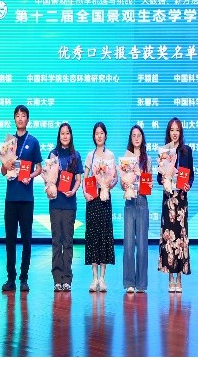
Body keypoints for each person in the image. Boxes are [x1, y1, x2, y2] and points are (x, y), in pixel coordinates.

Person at [2, 106, 43, 292]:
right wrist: (6, 165)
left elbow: (39, 168)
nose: (20, 118)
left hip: (26, 198)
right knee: (10, 239)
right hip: (11, 198)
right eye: (17, 116)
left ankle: (24, 278)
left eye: (23, 116)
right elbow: (3, 171)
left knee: (26, 239)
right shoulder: (8, 142)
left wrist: (30, 176)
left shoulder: (33, 141)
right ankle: (10, 278)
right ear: (14, 119)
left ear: (27, 119)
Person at [44, 123, 83, 292]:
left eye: (67, 133)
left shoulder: (76, 155)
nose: (65, 136)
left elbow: (78, 179)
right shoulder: (53, 155)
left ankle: (67, 278)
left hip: (69, 204)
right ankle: (56, 278)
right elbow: (47, 178)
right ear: (59, 136)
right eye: (62, 133)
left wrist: (73, 191)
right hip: (55, 203)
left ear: (71, 135)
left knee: (67, 241)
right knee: (56, 241)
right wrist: (49, 186)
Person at [118, 125, 154, 294]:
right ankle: (129, 282)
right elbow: (121, 184)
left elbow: (149, 183)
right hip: (129, 202)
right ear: (130, 138)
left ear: (142, 138)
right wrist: (125, 184)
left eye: (139, 135)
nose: (137, 138)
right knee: (128, 244)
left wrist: (146, 182)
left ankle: (142, 284)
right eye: (134, 135)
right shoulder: (125, 158)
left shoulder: (148, 160)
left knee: (142, 244)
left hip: (142, 202)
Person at [160, 118, 195, 293]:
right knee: (169, 238)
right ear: (169, 132)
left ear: (181, 132)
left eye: (177, 130)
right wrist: (164, 179)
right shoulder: (164, 151)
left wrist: (188, 184)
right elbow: (158, 177)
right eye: (172, 130)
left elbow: (191, 175)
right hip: (168, 199)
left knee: (180, 238)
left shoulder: (186, 151)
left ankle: (179, 278)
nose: (175, 133)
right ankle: (170, 278)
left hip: (181, 200)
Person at [84, 124, 119, 293]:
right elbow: (85, 177)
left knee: (104, 236)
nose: (99, 136)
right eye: (96, 133)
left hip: (105, 199)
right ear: (94, 136)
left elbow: (115, 178)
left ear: (106, 135)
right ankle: (94, 278)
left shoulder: (110, 155)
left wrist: (108, 185)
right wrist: (85, 193)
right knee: (93, 237)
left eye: (102, 133)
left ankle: (103, 278)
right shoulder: (90, 156)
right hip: (93, 199)